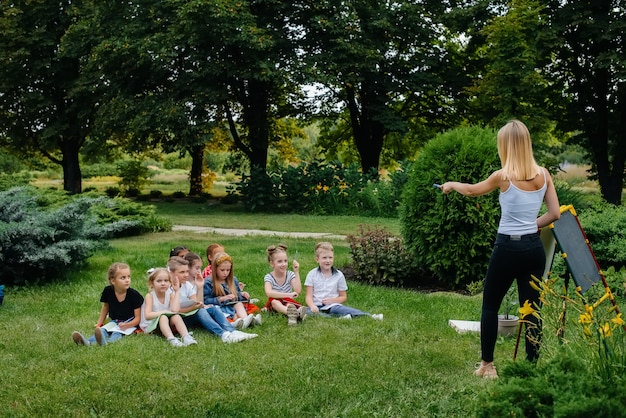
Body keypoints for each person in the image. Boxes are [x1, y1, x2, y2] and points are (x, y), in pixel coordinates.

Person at [440, 119, 560, 379]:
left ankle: (488, 366)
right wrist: (532, 225)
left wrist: (451, 185)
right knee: (532, 309)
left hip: (506, 248)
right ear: (527, 143)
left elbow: (472, 191)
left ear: (505, 146)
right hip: (532, 249)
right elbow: (554, 214)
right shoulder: (544, 174)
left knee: (490, 306)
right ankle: (530, 368)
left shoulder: (502, 176)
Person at [173, 253, 256, 343]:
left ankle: (233, 331)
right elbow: (176, 310)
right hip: (181, 317)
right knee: (201, 311)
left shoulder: (188, 285)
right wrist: (195, 307)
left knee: (213, 309)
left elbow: (199, 302)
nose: (185, 274)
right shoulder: (171, 288)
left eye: (186, 272)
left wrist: (200, 287)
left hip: (191, 312)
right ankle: (223, 334)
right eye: (182, 272)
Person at [304, 242, 383, 321]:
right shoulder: (312, 274)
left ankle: (370, 316)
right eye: (324, 258)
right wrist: (312, 306)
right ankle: (338, 318)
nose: (328, 261)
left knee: (342, 310)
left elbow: (343, 297)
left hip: (332, 306)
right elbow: (308, 296)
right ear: (317, 259)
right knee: (306, 311)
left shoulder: (339, 275)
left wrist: (333, 300)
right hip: (316, 306)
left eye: (330, 257)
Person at [72, 262, 143, 346]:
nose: (127, 280)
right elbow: (105, 307)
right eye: (123, 278)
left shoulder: (134, 295)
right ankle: (87, 342)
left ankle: (107, 343)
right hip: (115, 321)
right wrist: (99, 323)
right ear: (113, 280)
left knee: (117, 333)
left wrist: (127, 325)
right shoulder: (108, 291)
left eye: (128, 277)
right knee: (102, 330)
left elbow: (138, 318)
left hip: (130, 323)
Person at [139, 267, 198, 347]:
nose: (163, 283)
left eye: (166, 281)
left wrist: (177, 291)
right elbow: (147, 316)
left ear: (170, 283)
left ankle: (186, 337)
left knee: (176, 316)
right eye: (159, 281)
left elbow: (175, 310)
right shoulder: (150, 296)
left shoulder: (170, 294)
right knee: (163, 317)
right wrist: (164, 312)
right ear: (152, 283)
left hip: (165, 324)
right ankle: (172, 339)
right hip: (151, 325)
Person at [203, 252, 262, 329]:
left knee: (239, 304)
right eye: (222, 270)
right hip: (219, 308)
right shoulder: (209, 282)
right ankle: (248, 321)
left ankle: (246, 320)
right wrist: (221, 299)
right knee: (234, 316)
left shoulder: (233, 280)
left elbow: (237, 296)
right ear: (215, 268)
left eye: (228, 270)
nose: (225, 273)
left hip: (232, 305)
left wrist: (242, 295)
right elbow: (205, 300)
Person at [263, 244, 306, 325]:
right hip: (275, 302)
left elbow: (298, 290)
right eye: (279, 261)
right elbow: (269, 292)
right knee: (275, 303)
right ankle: (295, 313)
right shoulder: (269, 277)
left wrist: (296, 272)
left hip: (287, 301)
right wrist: (288, 294)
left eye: (285, 261)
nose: (284, 264)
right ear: (272, 264)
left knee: (290, 304)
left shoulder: (290, 274)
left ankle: (293, 316)